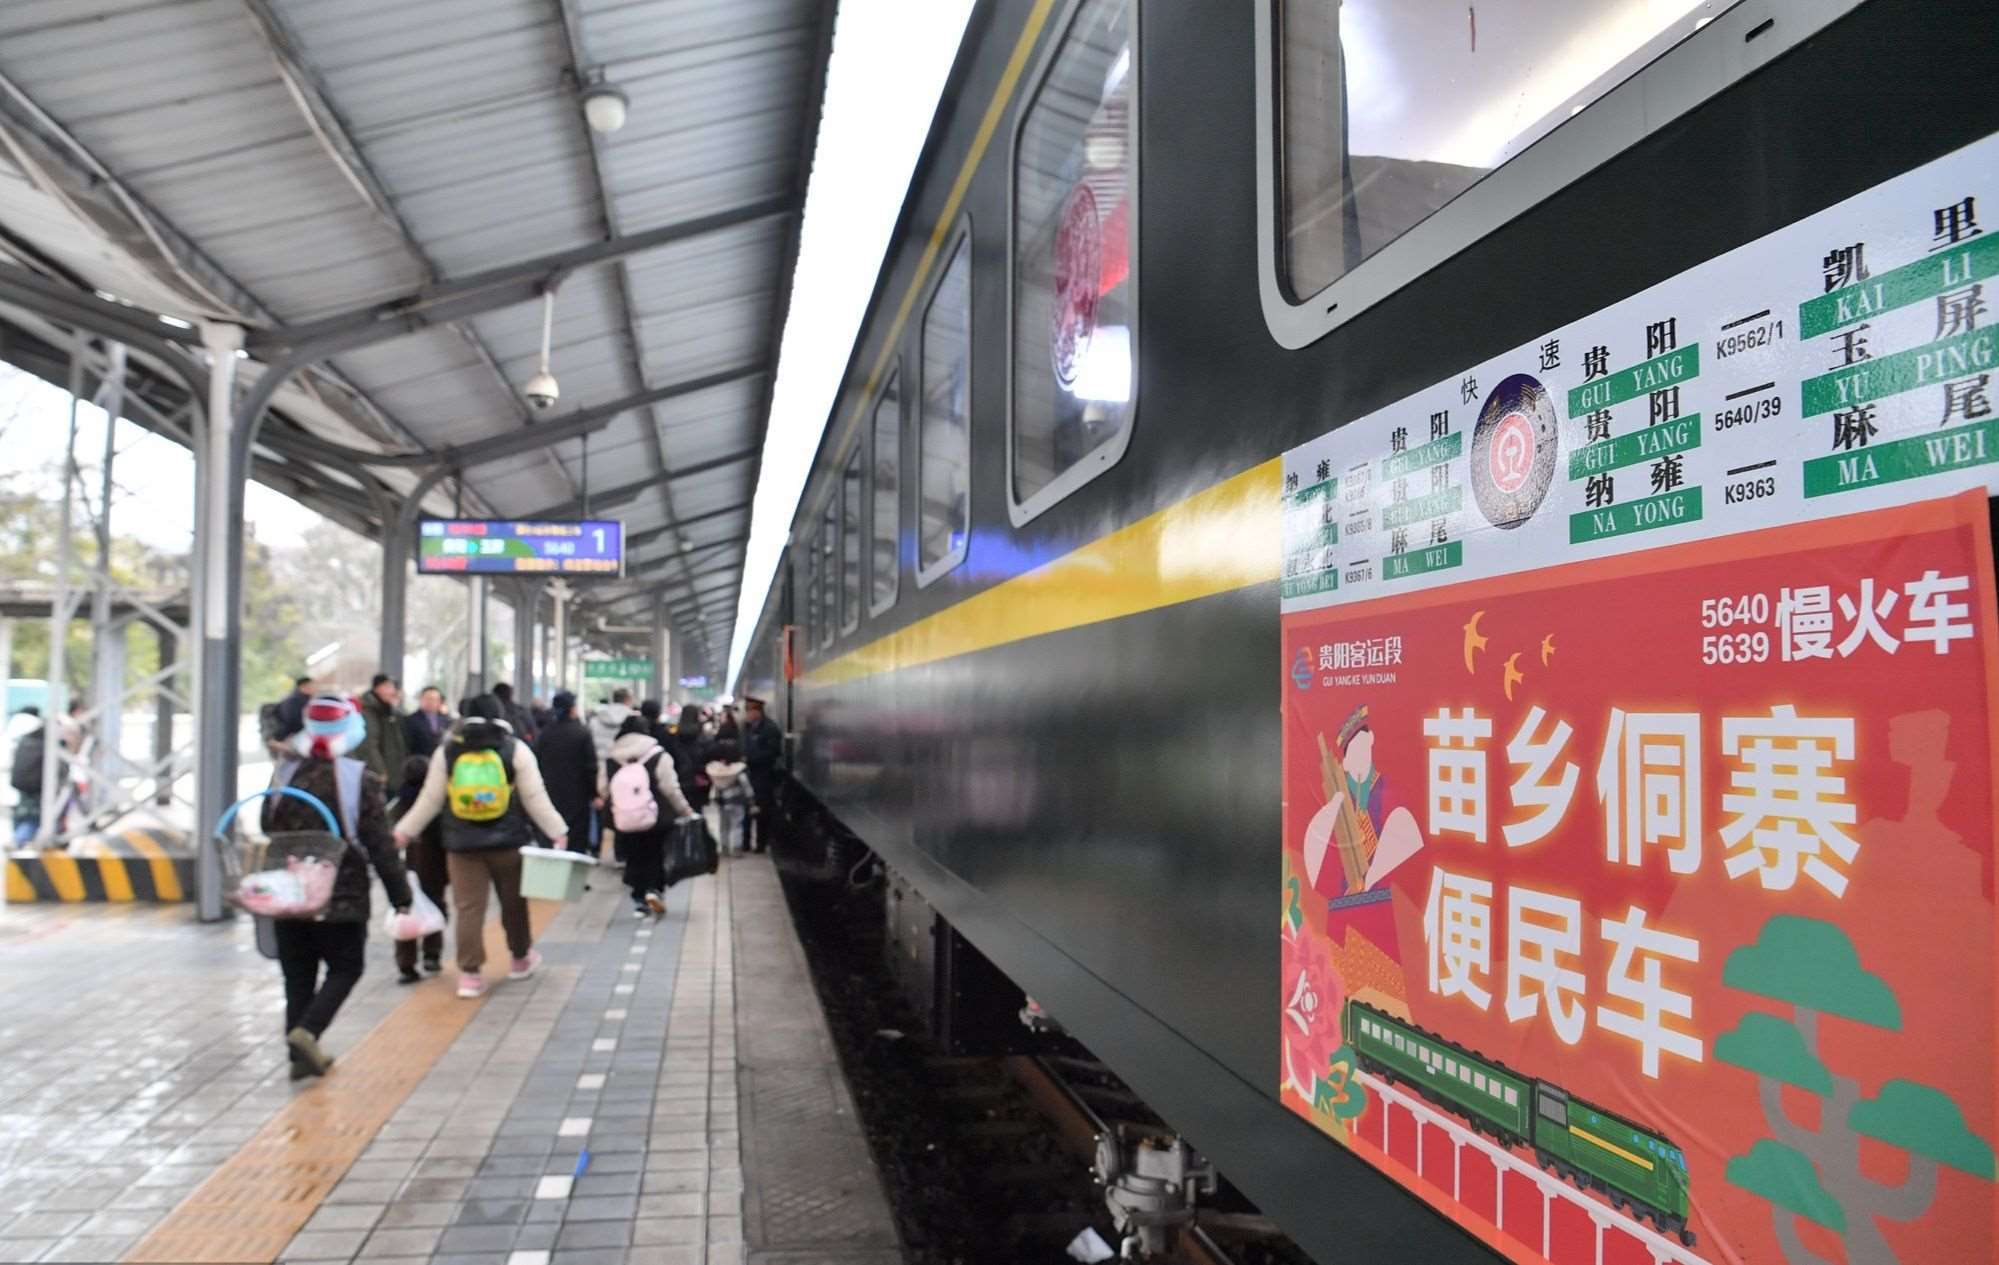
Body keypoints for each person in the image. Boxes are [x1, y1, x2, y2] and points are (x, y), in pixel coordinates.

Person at [266, 694, 412, 1080]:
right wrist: (401, 896)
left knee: (298, 975)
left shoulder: (284, 774)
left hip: (288, 891)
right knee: (346, 966)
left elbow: (267, 823)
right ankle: (308, 1032)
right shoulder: (357, 780)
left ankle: (299, 1058)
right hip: (339, 894)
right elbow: (381, 845)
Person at [393, 694, 568, 999]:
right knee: (514, 903)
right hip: (509, 843)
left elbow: (430, 799)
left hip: (461, 845)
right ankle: (520, 959)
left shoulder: (448, 750)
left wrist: (404, 832)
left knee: (469, 908)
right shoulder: (514, 748)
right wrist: (558, 831)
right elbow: (534, 797)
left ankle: (470, 976)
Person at [601, 715, 696, 917]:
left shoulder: (611, 757)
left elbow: (602, 788)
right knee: (656, 853)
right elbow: (670, 788)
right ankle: (654, 890)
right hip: (657, 817)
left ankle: (639, 898)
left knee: (634, 855)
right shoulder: (658, 754)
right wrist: (685, 810)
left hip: (624, 817)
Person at [389, 754, 448, 983]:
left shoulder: (397, 806)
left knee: (405, 914)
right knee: (434, 908)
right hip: (433, 868)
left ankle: (406, 966)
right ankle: (432, 956)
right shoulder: (435, 805)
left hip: (402, 872)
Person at [533, 691, 599, 857]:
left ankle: (550, 868)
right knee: (576, 837)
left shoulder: (545, 733)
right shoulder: (582, 733)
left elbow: (536, 762)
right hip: (577, 795)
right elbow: (590, 767)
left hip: (549, 792)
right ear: (572, 709)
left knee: (551, 833)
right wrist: (594, 794)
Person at [741, 697, 783, 853]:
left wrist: (750, 758)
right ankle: (745, 843)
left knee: (762, 811)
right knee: (746, 810)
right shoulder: (746, 728)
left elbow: (773, 752)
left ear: (758, 712)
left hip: (764, 776)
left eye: (750, 711)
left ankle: (760, 844)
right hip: (748, 775)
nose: (747, 714)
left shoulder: (770, 729)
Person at [355, 674, 408, 782]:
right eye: (388, 687)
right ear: (377, 688)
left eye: (393, 687)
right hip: (377, 776)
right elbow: (369, 745)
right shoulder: (368, 711)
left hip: (391, 772)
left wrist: (394, 708)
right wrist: (380, 772)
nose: (393, 691)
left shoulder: (387, 710)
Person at [706, 739, 754, 856]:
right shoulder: (739, 770)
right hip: (737, 801)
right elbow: (746, 786)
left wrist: (715, 798)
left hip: (722, 801)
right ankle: (737, 849)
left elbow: (715, 787)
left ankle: (724, 848)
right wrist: (751, 799)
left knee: (723, 826)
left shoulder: (718, 771)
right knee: (737, 825)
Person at [667, 703, 712, 813]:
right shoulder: (702, 735)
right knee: (696, 811)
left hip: (678, 778)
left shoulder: (673, 734)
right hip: (697, 781)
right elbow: (707, 757)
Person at [10, 707, 43, 845]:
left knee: (21, 817)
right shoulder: (37, 732)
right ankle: (18, 843)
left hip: (18, 784)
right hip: (33, 787)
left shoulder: (19, 733)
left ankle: (17, 842)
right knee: (30, 818)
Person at [404, 686, 449, 761]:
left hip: (441, 762)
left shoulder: (446, 719)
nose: (430, 702)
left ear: (439, 702)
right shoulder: (410, 720)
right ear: (420, 699)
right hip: (419, 762)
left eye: (434, 699)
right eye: (428, 699)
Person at [589, 689, 633, 761]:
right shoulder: (634, 719)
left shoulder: (596, 718)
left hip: (599, 759)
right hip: (624, 761)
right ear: (627, 699)